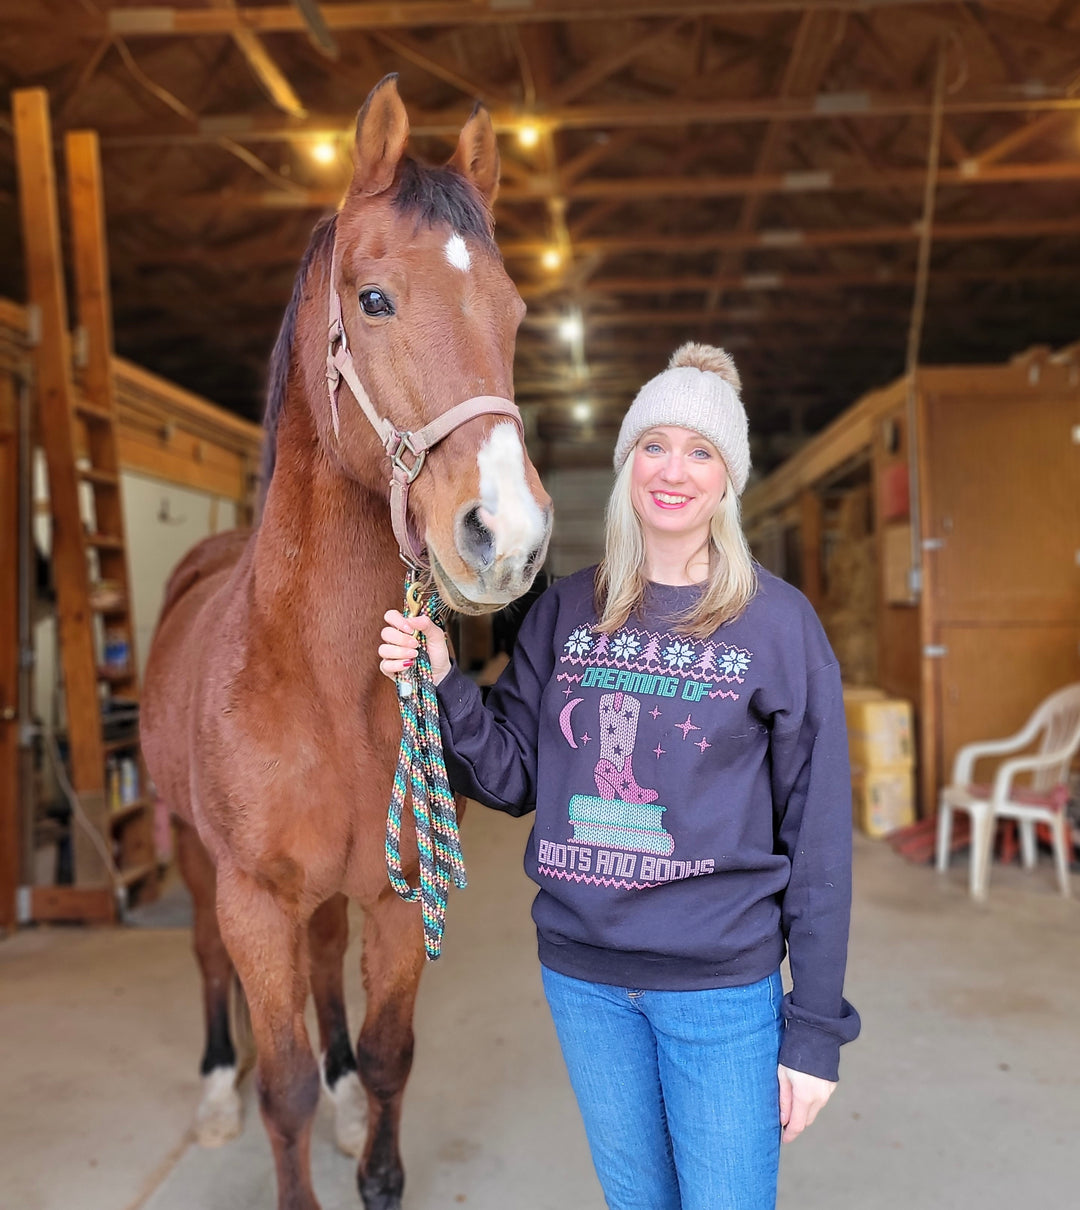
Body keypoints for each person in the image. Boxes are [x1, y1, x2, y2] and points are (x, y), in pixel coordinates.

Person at [378, 342, 860, 1210]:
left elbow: (819, 838)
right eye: (654, 446)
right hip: (585, 980)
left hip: (719, 990)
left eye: (701, 451)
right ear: (626, 462)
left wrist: (815, 1032)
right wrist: (445, 679)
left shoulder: (778, 627)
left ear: (729, 478)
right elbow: (516, 776)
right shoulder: (566, 609)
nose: (674, 471)